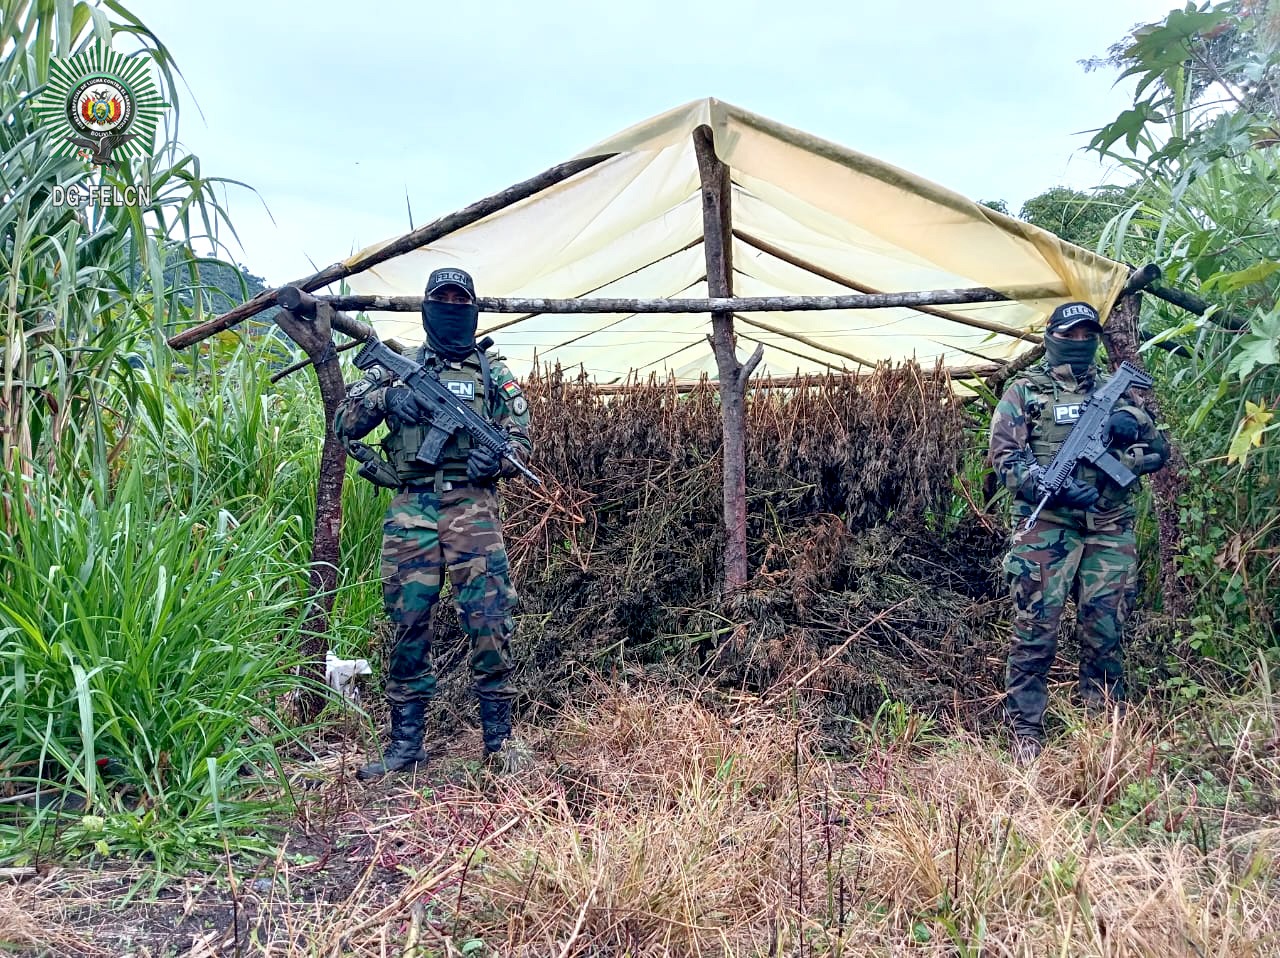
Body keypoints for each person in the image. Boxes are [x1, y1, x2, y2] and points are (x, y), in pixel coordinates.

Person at [334, 267, 534, 779]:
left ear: (473, 308)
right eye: (441, 299)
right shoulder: (399, 366)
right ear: (426, 308)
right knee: (407, 622)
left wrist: (499, 460)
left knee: (489, 618)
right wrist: (387, 398)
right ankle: (406, 745)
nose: (451, 308)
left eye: (459, 300)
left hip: (473, 508)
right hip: (412, 508)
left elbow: (520, 441)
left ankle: (499, 742)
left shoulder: (493, 372)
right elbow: (344, 422)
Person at [988, 301, 1169, 763]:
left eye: (1087, 335)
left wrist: (1130, 436)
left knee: (1105, 628)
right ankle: (1025, 729)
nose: (1079, 342)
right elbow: (1006, 461)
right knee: (1035, 628)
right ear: (1052, 337)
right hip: (1048, 527)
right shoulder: (1024, 391)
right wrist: (1050, 488)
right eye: (1070, 335)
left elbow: (1159, 452)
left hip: (1109, 526)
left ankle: (1103, 727)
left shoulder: (1116, 392)